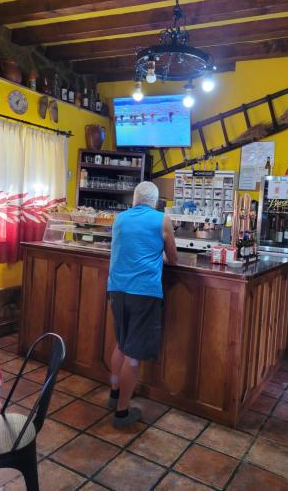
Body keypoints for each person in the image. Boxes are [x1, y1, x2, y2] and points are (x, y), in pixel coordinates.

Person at [107, 181, 178, 428]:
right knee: (134, 355)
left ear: (134, 199)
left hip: (116, 289)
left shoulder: (119, 219)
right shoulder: (161, 219)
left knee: (121, 343)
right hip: (143, 292)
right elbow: (174, 258)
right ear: (155, 202)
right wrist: (159, 254)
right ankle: (122, 412)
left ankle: (115, 392)